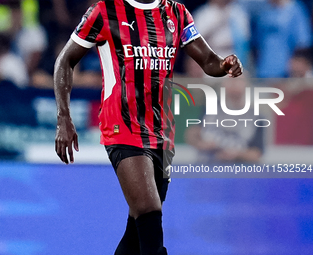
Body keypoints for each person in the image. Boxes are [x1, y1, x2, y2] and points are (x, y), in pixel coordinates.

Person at [53, 0, 242, 254]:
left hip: (162, 131)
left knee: (137, 229)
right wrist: (63, 117)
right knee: (149, 211)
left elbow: (207, 60)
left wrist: (224, 65)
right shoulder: (105, 11)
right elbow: (65, 61)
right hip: (122, 125)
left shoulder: (176, 12)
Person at [185, 74, 264, 164]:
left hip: (238, 171)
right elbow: (191, 134)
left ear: (246, 85)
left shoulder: (256, 116)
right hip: (206, 167)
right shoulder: (210, 107)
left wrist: (236, 154)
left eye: (238, 81)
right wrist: (201, 144)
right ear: (223, 84)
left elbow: (257, 154)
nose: (234, 84)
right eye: (230, 81)